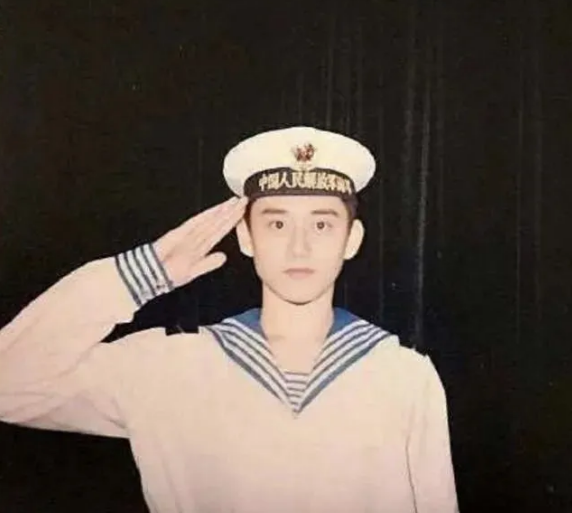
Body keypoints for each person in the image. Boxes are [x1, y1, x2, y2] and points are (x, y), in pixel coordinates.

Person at [0, 126, 458, 513]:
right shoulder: (168, 369)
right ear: (245, 237)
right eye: (277, 224)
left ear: (351, 239)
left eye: (321, 225)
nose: (299, 247)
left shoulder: (403, 377)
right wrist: (140, 274)